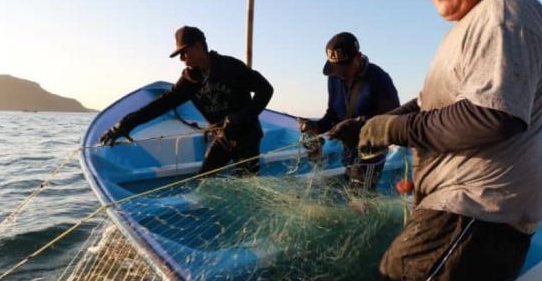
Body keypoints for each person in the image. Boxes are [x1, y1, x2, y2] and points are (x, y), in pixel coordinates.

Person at [356, 0, 542, 281]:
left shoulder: (504, 10)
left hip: (472, 214)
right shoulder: (471, 25)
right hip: (466, 218)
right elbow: (428, 105)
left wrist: (395, 129)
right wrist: (377, 122)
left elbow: (493, 115)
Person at [100, 26, 274, 175]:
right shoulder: (189, 80)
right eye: (179, 55)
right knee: (204, 181)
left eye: (184, 52)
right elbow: (161, 105)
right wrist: (126, 123)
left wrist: (242, 116)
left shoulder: (231, 67)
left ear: (198, 47)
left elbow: (266, 90)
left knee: (247, 180)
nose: (182, 59)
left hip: (247, 135)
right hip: (222, 137)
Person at [298, 32, 399, 190]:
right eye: (335, 69)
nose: (339, 74)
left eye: (344, 69)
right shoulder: (334, 77)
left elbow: (394, 120)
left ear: (358, 57)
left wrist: (359, 124)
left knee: (361, 199)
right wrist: (315, 127)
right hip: (348, 150)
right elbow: (332, 113)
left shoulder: (379, 79)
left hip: (370, 152)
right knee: (350, 193)